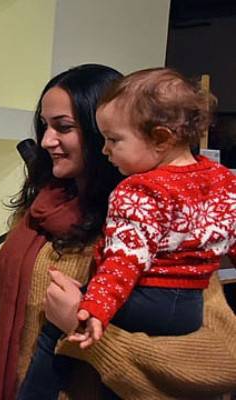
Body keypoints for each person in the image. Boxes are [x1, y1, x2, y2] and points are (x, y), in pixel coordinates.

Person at [0, 64, 236, 399]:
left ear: (100, 133)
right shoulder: (40, 213)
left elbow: (222, 359)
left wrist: (88, 332)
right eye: (44, 126)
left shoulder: (156, 227)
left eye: (63, 127)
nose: (46, 141)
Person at [19, 67, 236, 399]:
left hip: (150, 299)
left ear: (161, 138)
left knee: (56, 333)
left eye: (114, 140)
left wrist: (93, 310)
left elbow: (123, 263)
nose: (106, 150)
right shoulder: (223, 180)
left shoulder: (137, 190)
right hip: (189, 308)